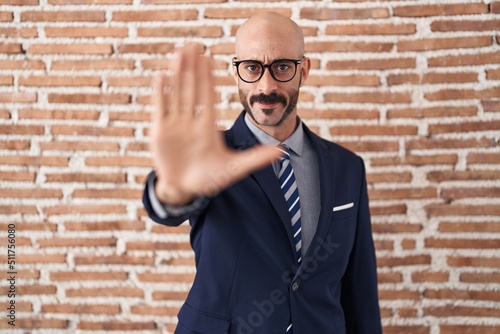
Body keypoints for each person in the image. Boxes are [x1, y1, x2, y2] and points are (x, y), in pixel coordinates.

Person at [143, 12, 382, 334]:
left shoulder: (347, 166)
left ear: (304, 70)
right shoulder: (208, 155)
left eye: (282, 67)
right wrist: (173, 191)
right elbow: (169, 205)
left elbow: (359, 287)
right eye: (253, 68)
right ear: (237, 72)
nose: (266, 86)